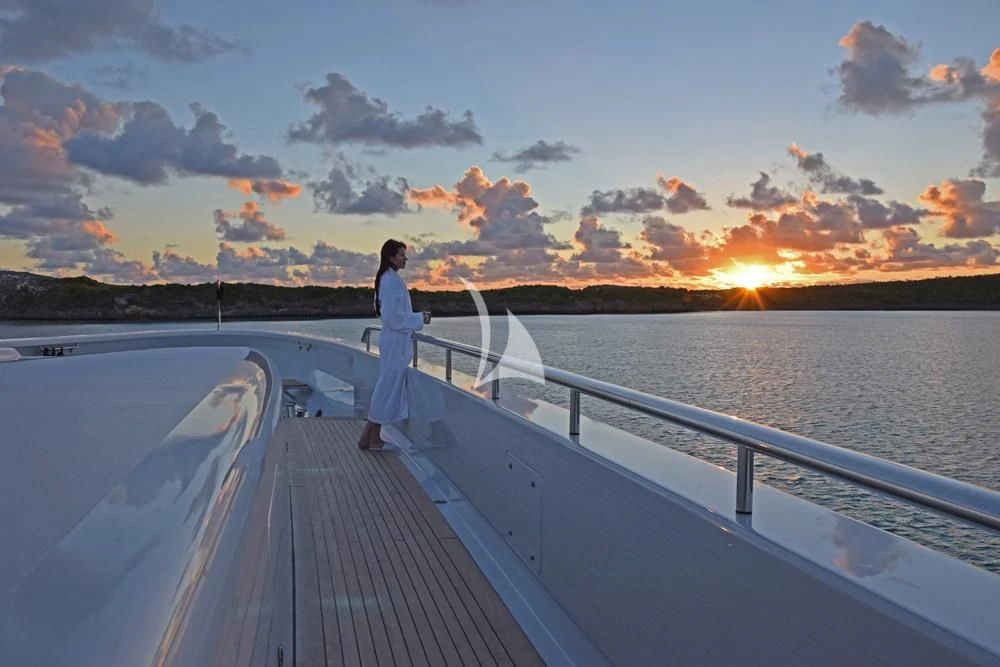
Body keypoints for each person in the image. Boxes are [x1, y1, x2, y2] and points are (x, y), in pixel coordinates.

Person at [359, 239, 431, 450]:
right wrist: (420, 319)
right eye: (401, 255)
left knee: (386, 386)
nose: (405, 258)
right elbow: (392, 318)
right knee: (386, 388)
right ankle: (372, 438)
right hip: (394, 342)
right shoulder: (390, 281)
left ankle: (369, 437)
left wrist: (415, 318)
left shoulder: (389, 278)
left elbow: (394, 316)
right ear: (391, 257)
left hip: (394, 341)